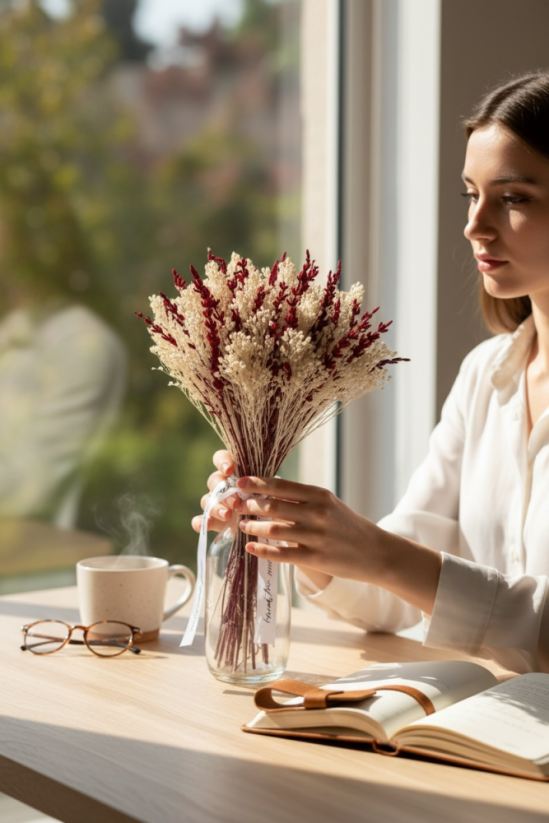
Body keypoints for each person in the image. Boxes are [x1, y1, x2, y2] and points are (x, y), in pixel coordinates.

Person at [193, 71, 549, 675]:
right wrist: (303, 537)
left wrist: (380, 553)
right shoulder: (487, 375)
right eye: (470, 194)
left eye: (513, 198)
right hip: (495, 735)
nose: (475, 224)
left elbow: (402, 565)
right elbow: (397, 588)